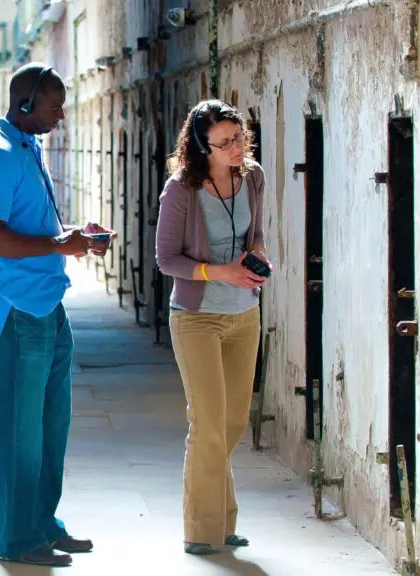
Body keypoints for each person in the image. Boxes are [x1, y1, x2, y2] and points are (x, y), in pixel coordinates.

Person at [0, 62, 116, 568]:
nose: (62, 113)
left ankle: (42, 523)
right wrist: (58, 243)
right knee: (17, 428)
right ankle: (16, 537)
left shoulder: (28, 151)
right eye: (55, 104)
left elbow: (32, 225)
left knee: (52, 423)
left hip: (48, 305)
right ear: (25, 103)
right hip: (15, 309)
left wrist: (74, 235)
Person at [155, 99, 274, 556]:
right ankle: (202, 530)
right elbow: (167, 259)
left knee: (232, 420)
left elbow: (256, 232)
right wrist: (219, 272)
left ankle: (222, 523)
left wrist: (258, 258)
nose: (235, 148)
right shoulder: (180, 190)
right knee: (206, 423)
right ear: (202, 147)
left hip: (245, 313)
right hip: (197, 318)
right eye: (223, 142)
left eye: (238, 137)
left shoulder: (253, 177)